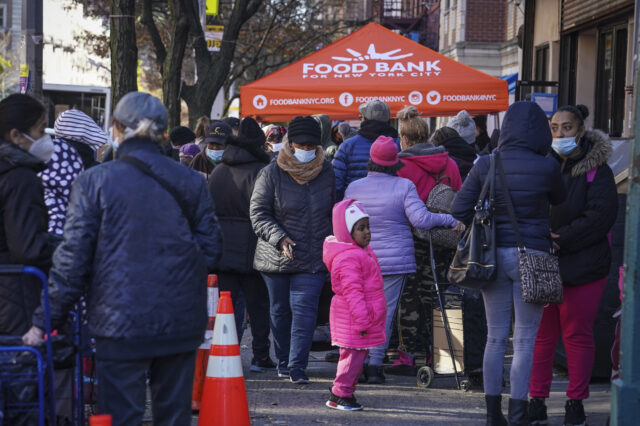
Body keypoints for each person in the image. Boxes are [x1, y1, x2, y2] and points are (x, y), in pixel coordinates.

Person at [23, 92, 222, 426]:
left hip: (119, 319)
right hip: (180, 316)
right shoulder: (191, 180)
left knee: (121, 415)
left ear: (116, 127)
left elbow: (72, 261)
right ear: (162, 132)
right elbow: (212, 249)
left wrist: (44, 321)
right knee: (174, 415)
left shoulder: (94, 182)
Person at [451, 101, 566, 425]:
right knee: (526, 339)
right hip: (535, 256)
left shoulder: (487, 163)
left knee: (496, 337)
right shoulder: (548, 166)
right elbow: (560, 199)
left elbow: (459, 209)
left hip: (492, 257)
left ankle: (492, 414)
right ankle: (518, 412)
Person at [344, 136, 464, 384]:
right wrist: (450, 221)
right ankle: (375, 367)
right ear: (394, 162)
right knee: (384, 314)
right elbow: (421, 220)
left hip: (360, 258)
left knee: (359, 311)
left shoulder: (353, 187)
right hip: (394, 262)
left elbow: (345, 221)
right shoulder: (403, 186)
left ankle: (358, 365)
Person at [528, 105, 618, 426]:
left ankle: (575, 404)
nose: (560, 134)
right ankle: (536, 400)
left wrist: (559, 238)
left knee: (577, 335)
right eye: (554, 128)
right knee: (542, 336)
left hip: (584, 266)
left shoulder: (598, 171)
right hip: (545, 263)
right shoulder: (543, 166)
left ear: (580, 131)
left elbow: (599, 217)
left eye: (566, 128)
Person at [250, 116, 335, 384]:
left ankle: (297, 366)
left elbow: (334, 210)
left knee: (304, 309)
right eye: (301, 144)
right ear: (290, 143)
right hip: (276, 255)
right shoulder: (271, 173)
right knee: (279, 311)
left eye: (311, 145)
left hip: (312, 255)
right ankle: (284, 360)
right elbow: (259, 213)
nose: (306, 149)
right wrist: (280, 238)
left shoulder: (327, 171)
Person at [388, 106, 463, 374]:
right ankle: (444, 357)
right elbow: (458, 198)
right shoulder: (449, 162)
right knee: (442, 294)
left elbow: (394, 205)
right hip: (443, 237)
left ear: (404, 139)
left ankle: (406, 356)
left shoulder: (399, 165)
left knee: (409, 296)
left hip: (409, 237)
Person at [208, 117, 275, 372]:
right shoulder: (263, 171)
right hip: (254, 246)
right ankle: (260, 356)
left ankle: (227, 352)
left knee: (225, 304)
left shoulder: (219, 171)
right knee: (258, 305)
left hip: (222, 246)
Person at [324, 200, 386, 411]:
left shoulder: (359, 251)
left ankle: (341, 393)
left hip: (359, 318)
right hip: (355, 319)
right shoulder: (349, 257)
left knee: (355, 358)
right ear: (347, 231)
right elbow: (353, 292)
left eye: (368, 226)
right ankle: (341, 394)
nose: (367, 232)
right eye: (361, 228)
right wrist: (363, 319)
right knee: (352, 359)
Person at [0, 94, 52, 335]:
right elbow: (27, 246)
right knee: (22, 368)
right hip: (15, 299)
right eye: (41, 130)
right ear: (16, 136)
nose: (46, 138)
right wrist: (66, 250)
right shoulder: (20, 179)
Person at [333, 100, 399, 199]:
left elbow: (336, 184)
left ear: (364, 119)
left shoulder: (347, 146)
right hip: (389, 206)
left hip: (354, 208)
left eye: (360, 117)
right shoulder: (398, 145)